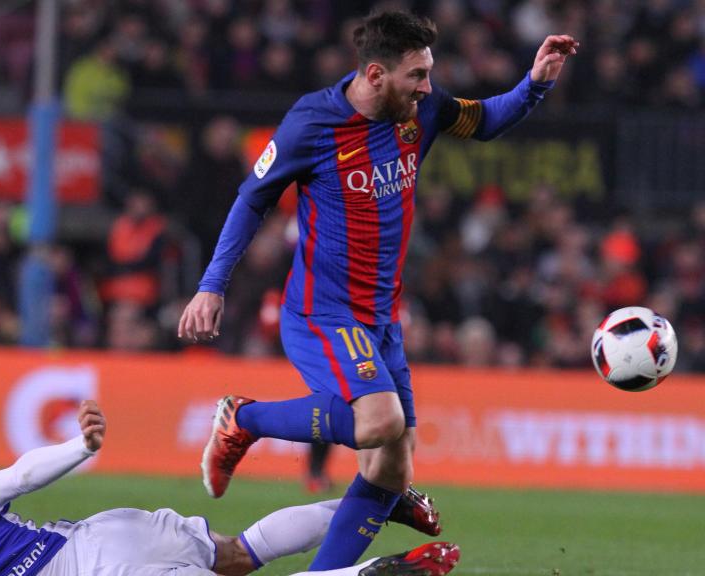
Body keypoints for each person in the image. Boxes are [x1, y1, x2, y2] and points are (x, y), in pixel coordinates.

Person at [178, 10, 577, 571]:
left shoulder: (424, 112)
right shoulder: (311, 123)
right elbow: (253, 198)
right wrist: (211, 285)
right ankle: (244, 418)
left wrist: (535, 83)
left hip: (382, 321)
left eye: (429, 73)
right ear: (374, 75)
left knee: (392, 471)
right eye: (416, 75)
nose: (428, 87)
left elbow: (485, 119)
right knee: (379, 423)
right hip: (322, 312)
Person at [0, 400, 461, 576]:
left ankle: (374, 571)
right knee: (238, 554)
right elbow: (19, 476)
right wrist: (81, 447)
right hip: (109, 534)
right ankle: (374, 499)